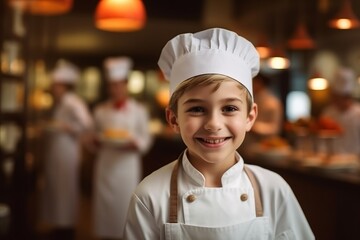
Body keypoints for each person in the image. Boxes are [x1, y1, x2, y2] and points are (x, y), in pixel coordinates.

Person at [124, 28, 314, 239]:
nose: (214, 124)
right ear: (174, 119)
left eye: (230, 108)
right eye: (197, 109)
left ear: (250, 117)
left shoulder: (272, 189)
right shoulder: (149, 196)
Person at [91, 56, 153, 240]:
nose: (115, 89)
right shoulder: (100, 110)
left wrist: (136, 143)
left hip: (127, 165)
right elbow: (93, 137)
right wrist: (94, 142)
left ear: (126, 85)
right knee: (104, 208)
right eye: (112, 85)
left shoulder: (139, 110)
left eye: (119, 84)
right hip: (105, 163)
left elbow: (146, 139)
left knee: (125, 206)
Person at [38, 60, 93, 240]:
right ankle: (59, 226)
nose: (54, 88)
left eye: (56, 85)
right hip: (57, 152)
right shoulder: (61, 102)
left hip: (66, 153)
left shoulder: (72, 101)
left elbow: (86, 124)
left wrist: (64, 127)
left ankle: (66, 228)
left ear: (64, 86)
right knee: (56, 189)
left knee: (65, 190)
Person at [238, 72, 284, 156]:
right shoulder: (249, 97)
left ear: (259, 82)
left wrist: (254, 127)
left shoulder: (272, 102)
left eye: (252, 81)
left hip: (264, 149)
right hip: (245, 147)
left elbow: (275, 128)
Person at [319, 66, 360, 155]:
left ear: (347, 97)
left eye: (338, 97)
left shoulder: (358, 113)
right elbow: (321, 139)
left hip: (355, 162)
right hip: (331, 159)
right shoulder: (328, 112)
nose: (335, 100)